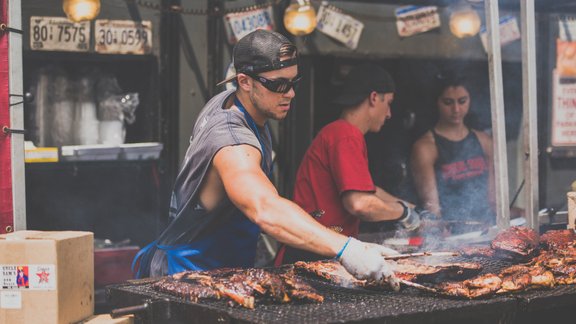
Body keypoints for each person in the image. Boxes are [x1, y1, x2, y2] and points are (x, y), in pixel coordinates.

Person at [132, 30, 400, 290]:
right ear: (244, 81)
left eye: (293, 82)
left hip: (223, 271)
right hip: (188, 276)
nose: (290, 94)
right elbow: (264, 208)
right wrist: (346, 248)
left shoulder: (232, 100)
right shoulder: (233, 141)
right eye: (278, 85)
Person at [275, 64, 426, 265]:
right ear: (374, 98)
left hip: (318, 251)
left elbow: (370, 190)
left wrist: (415, 209)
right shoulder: (346, 135)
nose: (389, 113)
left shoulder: (340, 133)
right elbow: (360, 204)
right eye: (388, 103)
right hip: (312, 255)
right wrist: (404, 214)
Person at [410, 74, 495, 234]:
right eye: (448, 102)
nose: (456, 109)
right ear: (437, 102)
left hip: (486, 229)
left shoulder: (484, 141)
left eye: (462, 101)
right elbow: (431, 207)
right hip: (450, 235)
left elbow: (493, 199)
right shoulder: (426, 147)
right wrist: (440, 230)